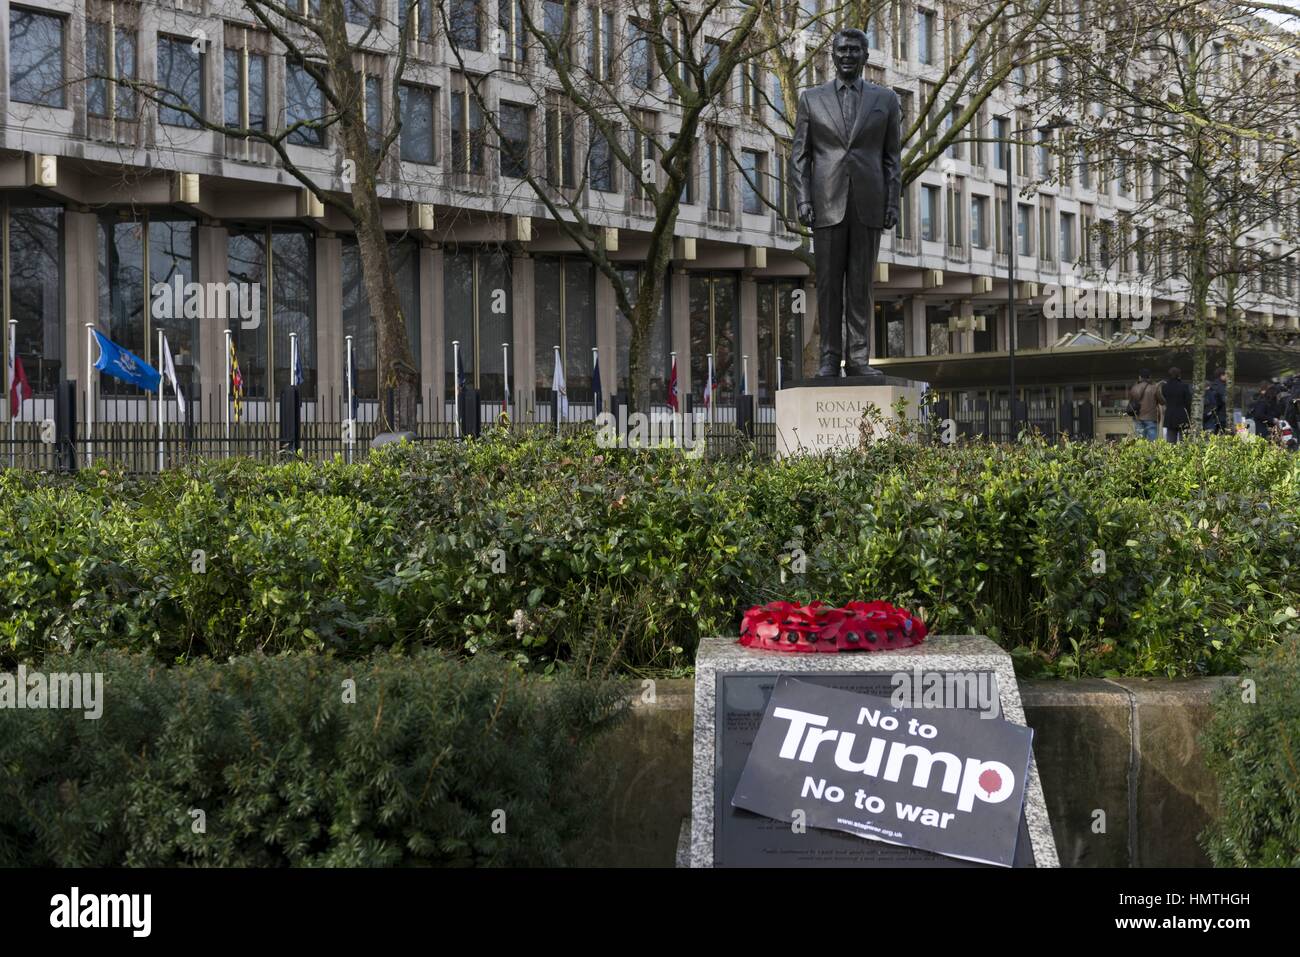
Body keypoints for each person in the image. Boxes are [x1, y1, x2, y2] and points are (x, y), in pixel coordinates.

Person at [792, 28, 902, 378]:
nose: (848, 55)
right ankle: (828, 358)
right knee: (827, 285)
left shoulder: (886, 100)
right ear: (833, 55)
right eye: (842, 50)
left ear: (866, 56)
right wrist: (804, 199)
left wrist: (892, 203)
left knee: (860, 285)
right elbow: (800, 156)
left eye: (855, 50)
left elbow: (891, 159)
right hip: (825, 203)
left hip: (868, 204)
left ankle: (857, 358)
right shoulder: (811, 99)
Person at [1160, 366, 1192, 443]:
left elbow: (1164, 399)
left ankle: (1171, 454)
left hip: (1170, 415)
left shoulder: (1165, 387)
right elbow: (1188, 401)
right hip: (1182, 414)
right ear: (1179, 375)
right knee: (1184, 441)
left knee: (1170, 441)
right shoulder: (1184, 386)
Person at [1128, 368, 1162, 440]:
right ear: (1149, 377)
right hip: (1151, 418)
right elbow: (1162, 401)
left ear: (1140, 377)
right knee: (1153, 442)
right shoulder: (1154, 388)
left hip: (1138, 417)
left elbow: (1131, 402)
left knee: (1140, 442)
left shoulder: (1134, 388)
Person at [1202, 367, 1228, 433]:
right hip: (1220, 415)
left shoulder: (1213, 385)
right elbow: (1221, 401)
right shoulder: (1220, 387)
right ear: (1221, 375)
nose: (1228, 376)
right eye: (1226, 374)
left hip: (1214, 415)